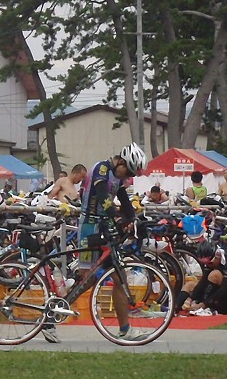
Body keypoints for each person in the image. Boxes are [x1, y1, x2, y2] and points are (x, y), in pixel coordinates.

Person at [76, 142, 148, 342]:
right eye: (128, 172)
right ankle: (56, 307)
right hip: (90, 225)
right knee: (86, 277)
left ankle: (125, 328)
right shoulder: (101, 169)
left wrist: (133, 219)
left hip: (104, 226)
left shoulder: (118, 177)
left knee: (119, 276)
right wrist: (117, 217)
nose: (127, 177)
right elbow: (102, 198)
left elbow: (124, 198)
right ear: (121, 162)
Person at [177, 242, 227, 315]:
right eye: (204, 263)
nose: (208, 265)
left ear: (217, 256)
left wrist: (203, 304)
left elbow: (225, 288)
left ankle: (206, 308)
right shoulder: (211, 263)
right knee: (190, 285)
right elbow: (202, 282)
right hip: (217, 295)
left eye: (209, 263)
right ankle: (174, 308)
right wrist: (190, 299)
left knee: (214, 275)